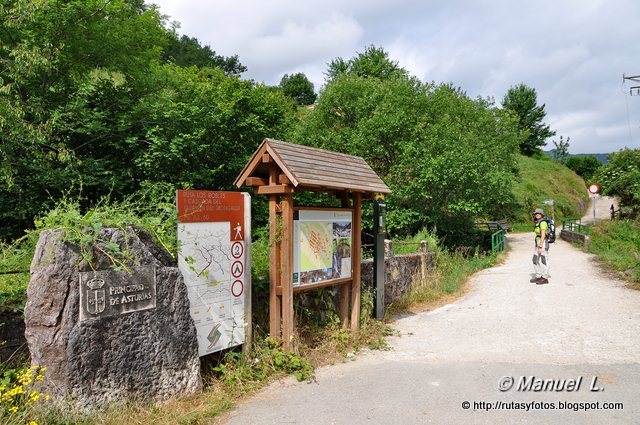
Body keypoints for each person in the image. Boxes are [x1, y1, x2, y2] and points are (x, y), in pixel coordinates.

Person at [531, 208, 550, 284]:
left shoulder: (543, 223)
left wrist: (540, 246)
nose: (537, 215)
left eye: (538, 213)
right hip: (538, 242)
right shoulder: (537, 222)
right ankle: (539, 276)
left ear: (542, 215)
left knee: (544, 260)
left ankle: (544, 278)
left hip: (543, 243)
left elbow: (543, 235)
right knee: (535, 259)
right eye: (536, 213)